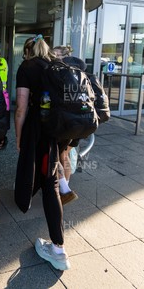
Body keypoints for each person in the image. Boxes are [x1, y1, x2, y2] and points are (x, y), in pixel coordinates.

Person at [14, 34, 71, 271]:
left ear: (27, 51)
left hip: (38, 133)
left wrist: (18, 138)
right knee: (52, 180)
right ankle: (56, 245)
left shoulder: (26, 67)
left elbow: (21, 108)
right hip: (57, 132)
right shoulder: (55, 66)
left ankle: (58, 249)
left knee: (49, 185)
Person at [51, 45, 85, 206]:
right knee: (64, 155)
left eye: (56, 55)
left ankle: (65, 190)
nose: (53, 58)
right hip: (80, 121)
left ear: (63, 56)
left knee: (61, 155)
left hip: (70, 122)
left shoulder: (64, 73)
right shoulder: (79, 72)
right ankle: (65, 187)